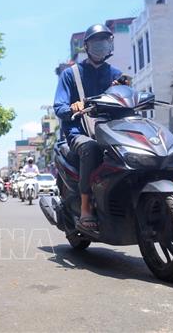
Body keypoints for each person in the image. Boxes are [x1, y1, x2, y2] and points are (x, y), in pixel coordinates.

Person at [53, 23, 123, 233]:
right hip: (79, 132)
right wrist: (72, 107)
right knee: (91, 148)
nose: (101, 45)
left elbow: (127, 101)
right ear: (86, 46)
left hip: (112, 131)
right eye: (96, 41)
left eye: (105, 40)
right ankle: (85, 208)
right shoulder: (70, 74)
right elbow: (59, 106)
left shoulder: (116, 74)